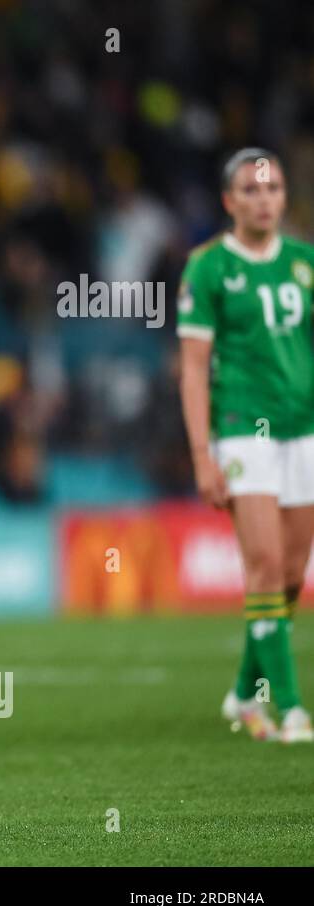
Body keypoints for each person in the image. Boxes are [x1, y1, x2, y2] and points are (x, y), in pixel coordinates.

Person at [178, 147, 314, 744]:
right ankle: (289, 710)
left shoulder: (305, 263)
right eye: (253, 191)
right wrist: (203, 454)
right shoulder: (208, 268)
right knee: (262, 567)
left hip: (303, 429)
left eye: (274, 188)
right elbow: (192, 368)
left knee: (288, 577)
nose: (265, 200)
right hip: (242, 429)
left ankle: (242, 692)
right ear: (230, 201)